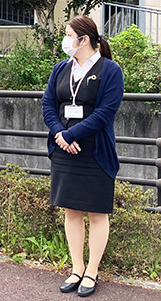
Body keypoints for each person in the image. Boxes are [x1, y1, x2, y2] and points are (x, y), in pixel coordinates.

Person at [42, 16, 124, 297]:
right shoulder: (61, 69)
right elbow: (48, 104)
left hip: (95, 151)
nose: (65, 39)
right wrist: (60, 135)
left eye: (68, 34)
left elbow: (105, 113)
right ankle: (76, 268)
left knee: (97, 213)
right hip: (64, 150)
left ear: (84, 39)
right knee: (71, 210)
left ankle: (92, 271)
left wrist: (71, 135)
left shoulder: (110, 71)